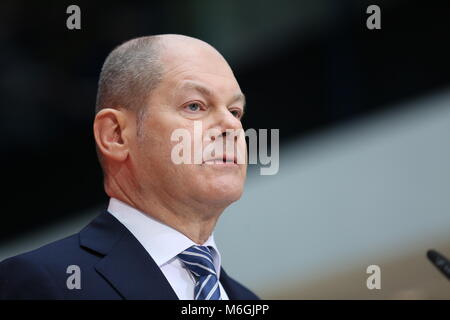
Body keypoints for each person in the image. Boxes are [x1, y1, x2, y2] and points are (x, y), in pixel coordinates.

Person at [0, 34, 259, 300]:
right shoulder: (46, 283)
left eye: (235, 111)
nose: (232, 125)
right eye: (194, 106)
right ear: (116, 135)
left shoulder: (247, 299)